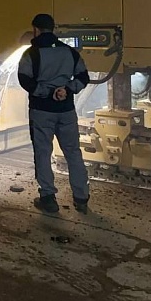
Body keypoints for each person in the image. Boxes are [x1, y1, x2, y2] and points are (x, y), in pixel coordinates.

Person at [17, 13, 91, 214]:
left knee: (43, 153)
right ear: (53, 29)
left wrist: (48, 92)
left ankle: (48, 198)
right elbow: (84, 76)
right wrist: (67, 89)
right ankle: (81, 198)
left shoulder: (31, 54)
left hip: (42, 111)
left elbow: (25, 80)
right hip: (66, 111)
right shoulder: (69, 52)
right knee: (73, 153)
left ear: (35, 29)